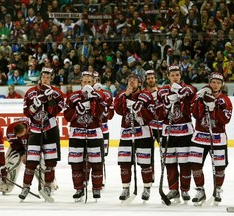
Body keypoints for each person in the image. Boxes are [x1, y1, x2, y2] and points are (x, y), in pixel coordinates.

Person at [18, 67, 65, 202]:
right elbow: (26, 113)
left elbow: (56, 111)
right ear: (40, 77)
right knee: (31, 161)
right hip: (35, 130)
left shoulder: (57, 92)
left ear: (51, 78)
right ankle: (26, 186)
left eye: (48, 77)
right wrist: (34, 106)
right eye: (44, 76)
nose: (45, 79)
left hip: (50, 129)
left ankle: (48, 186)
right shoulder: (31, 92)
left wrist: (50, 100)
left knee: (50, 162)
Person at [189, 72, 233, 206]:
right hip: (200, 136)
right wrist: (199, 100)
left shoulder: (225, 99)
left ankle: (218, 189)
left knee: (219, 167)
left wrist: (215, 108)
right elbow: (195, 114)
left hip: (218, 137)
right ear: (209, 82)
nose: (215, 85)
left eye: (218, 83)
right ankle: (200, 190)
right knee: (195, 164)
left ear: (222, 85)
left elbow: (226, 119)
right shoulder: (200, 96)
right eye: (213, 82)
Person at [157, 65, 196, 203]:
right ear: (168, 76)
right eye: (172, 75)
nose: (175, 77)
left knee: (185, 163)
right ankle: (174, 190)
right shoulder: (162, 91)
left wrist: (181, 93)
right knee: (170, 163)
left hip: (185, 132)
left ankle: (185, 189)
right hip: (168, 132)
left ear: (180, 76)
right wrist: (167, 103)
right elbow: (159, 113)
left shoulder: (187, 88)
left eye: (177, 75)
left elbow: (193, 94)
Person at [64, 71, 105, 201]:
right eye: (85, 81)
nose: (87, 84)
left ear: (93, 83)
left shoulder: (99, 96)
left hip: (94, 133)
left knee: (96, 162)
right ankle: (79, 189)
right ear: (81, 83)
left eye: (89, 82)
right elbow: (67, 116)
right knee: (76, 163)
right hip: (77, 133)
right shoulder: (73, 96)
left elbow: (102, 114)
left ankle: (96, 188)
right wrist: (76, 110)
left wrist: (94, 100)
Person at [114, 73, 155, 202]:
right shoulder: (122, 94)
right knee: (125, 163)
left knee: (145, 163)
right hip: (127, 133)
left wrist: (140, 109)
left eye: (134, 80)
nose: (131, 82)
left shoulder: (146, 95)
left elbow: (151, 116)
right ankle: (126, 188)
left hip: (143, 134)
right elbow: (118, 110)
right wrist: (125, 96)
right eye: (129, 80)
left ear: (140, 83)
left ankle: (147, 187)